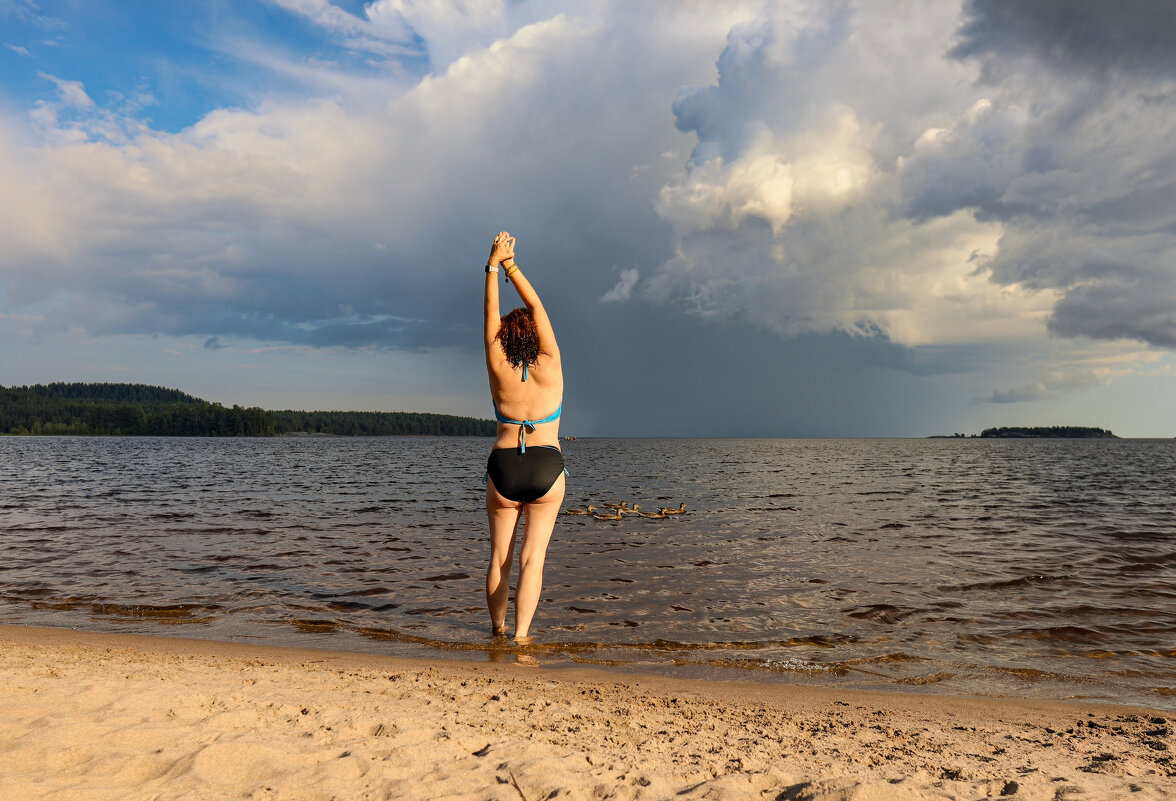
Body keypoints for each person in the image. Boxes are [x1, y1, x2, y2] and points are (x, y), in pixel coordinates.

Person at [482, 230, 565, 643]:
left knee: (500, 558)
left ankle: (496, 631)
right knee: (534, 559)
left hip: (503, 467)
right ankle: (521, 637)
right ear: (535, 334)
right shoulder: (551, 363)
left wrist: (492, 265)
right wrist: (512, 264)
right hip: (546, 465)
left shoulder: (498, 367)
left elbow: (491, 315)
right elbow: (536, 305)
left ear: (503, 338)